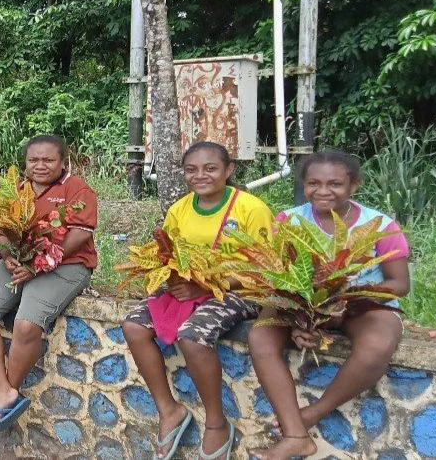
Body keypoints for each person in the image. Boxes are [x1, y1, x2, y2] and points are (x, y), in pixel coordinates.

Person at [247, 150, 410, 460]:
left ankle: (311, 414)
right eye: (314, 183)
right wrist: (300, 319)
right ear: (304, 185)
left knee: (378, 342)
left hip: (359, 306)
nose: (323, 191)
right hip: (302, 304)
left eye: (334, 184)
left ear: (354, 186)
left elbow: (399, 284)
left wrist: (347, 295)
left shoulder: (378, 224)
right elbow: (279, 276)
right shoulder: (289, 221)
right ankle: (296, 436)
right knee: (260, 334)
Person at [121, 141, 273, 460]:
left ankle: (216, 424)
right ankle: (169, 410)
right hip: (188, 288)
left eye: (210, 168)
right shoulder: (180, 209)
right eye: (191, 169)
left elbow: (264, 267)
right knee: (134, 326)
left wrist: (207, 284)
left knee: (192, 337)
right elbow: (166, 255)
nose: (200, 175)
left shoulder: (251, 208)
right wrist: (172, 279)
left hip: (240, 290)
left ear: (228, 171)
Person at [0, 134, 98, 436]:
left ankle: (5, 394)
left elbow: (78, 236)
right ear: (25, 163)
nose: (40, 165)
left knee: (26, 325)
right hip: (19, 262)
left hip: (67, 264)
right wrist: (8, 254)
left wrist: (37, 265)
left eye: (48, 160)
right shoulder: (16, 190)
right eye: (33, 160)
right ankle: (2, 391)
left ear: (63, 161)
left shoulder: (77, 189)